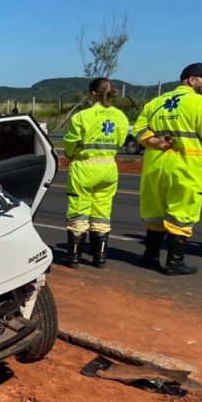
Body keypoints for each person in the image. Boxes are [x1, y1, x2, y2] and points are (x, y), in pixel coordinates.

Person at [132, 63, 202, 275]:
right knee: (181, 213)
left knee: (155, 212)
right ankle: (175, 262)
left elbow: (138, 130)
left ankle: (150, 256)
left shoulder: (155, 102)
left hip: (156, 166)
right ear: (191, 79)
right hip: (187, 166)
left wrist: (155, 141)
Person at [63, 78, 129, 268]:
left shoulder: (82, 117)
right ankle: (100, 257)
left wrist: (70, 154)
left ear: (92, 93)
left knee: (79, 210)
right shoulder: (120, 117)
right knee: (102, 211)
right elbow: (120, 141)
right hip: (108, 167)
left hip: (84, 166)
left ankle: (74, 257)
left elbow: (70, 143)